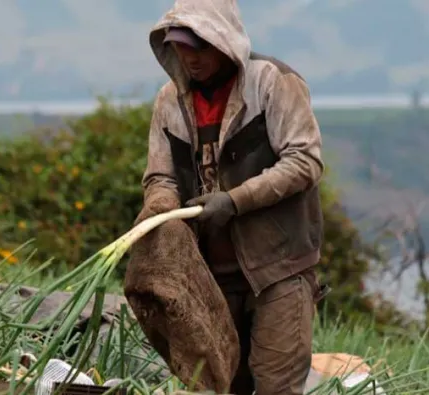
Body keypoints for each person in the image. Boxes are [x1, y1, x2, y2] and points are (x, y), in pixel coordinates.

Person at [140, 0, 327, 393]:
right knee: (222, 384)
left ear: (223, 41)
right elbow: (161, 175)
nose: (190, 59)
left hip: (279, 266)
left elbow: (305, 161)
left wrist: (235, 199)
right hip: (210, 275)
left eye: (199, 46)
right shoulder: (169, 102)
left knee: (277, 385)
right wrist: (160, 208)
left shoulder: (274, 83)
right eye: (180, 47)